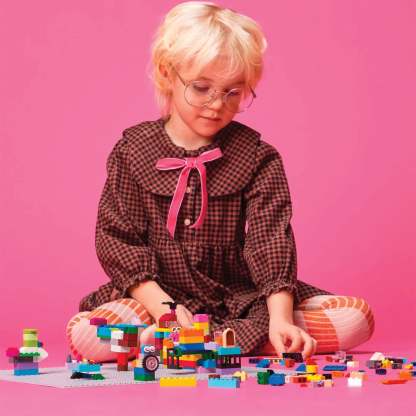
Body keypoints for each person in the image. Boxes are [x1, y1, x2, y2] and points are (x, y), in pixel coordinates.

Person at [66, 1, 375, 363]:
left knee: (357, 316)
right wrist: (164, 308)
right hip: (156, 296)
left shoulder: (257, 157)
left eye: (233, 92)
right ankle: (195, 337)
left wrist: (279, 317)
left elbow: (270, 239)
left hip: (238, 296)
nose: (217, 104)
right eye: (201, 88)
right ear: (166, 73)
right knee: (86, 331)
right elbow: (117, 240)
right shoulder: (132, 151)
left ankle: (249, 336)